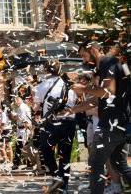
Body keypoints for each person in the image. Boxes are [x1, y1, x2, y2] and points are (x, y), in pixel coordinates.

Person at [65, 40, 131, 194]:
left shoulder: (109, 63)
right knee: (119, 164)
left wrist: (83, 88)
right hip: (120, 124)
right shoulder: (110, 66)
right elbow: (97, 100)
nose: (83, 60)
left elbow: (108, 91)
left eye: (83, 55)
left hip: (110, 125)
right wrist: (73, 110)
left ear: (93, 49)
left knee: (95, 165)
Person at [33, 60, 77, 193]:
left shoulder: (41, 86)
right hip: (69, 121)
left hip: (51, 123)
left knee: (45, 149)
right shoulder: (69, 85)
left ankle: (56, 175)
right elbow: (73, 103)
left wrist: (36, 106)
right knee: (65, 155)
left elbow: (36, 107)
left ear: (46, 70)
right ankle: (64, 186)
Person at [11, 96, 32, 170]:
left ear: (18, 101)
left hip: (24, 129)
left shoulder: (22, 107)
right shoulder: (22, 107)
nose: (15, 103)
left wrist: (15, 116)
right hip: (21, 129)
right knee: (21, 147)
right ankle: (27, 163)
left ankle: (18, 163)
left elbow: (23, 119)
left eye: (15, 101)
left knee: (22, 147)